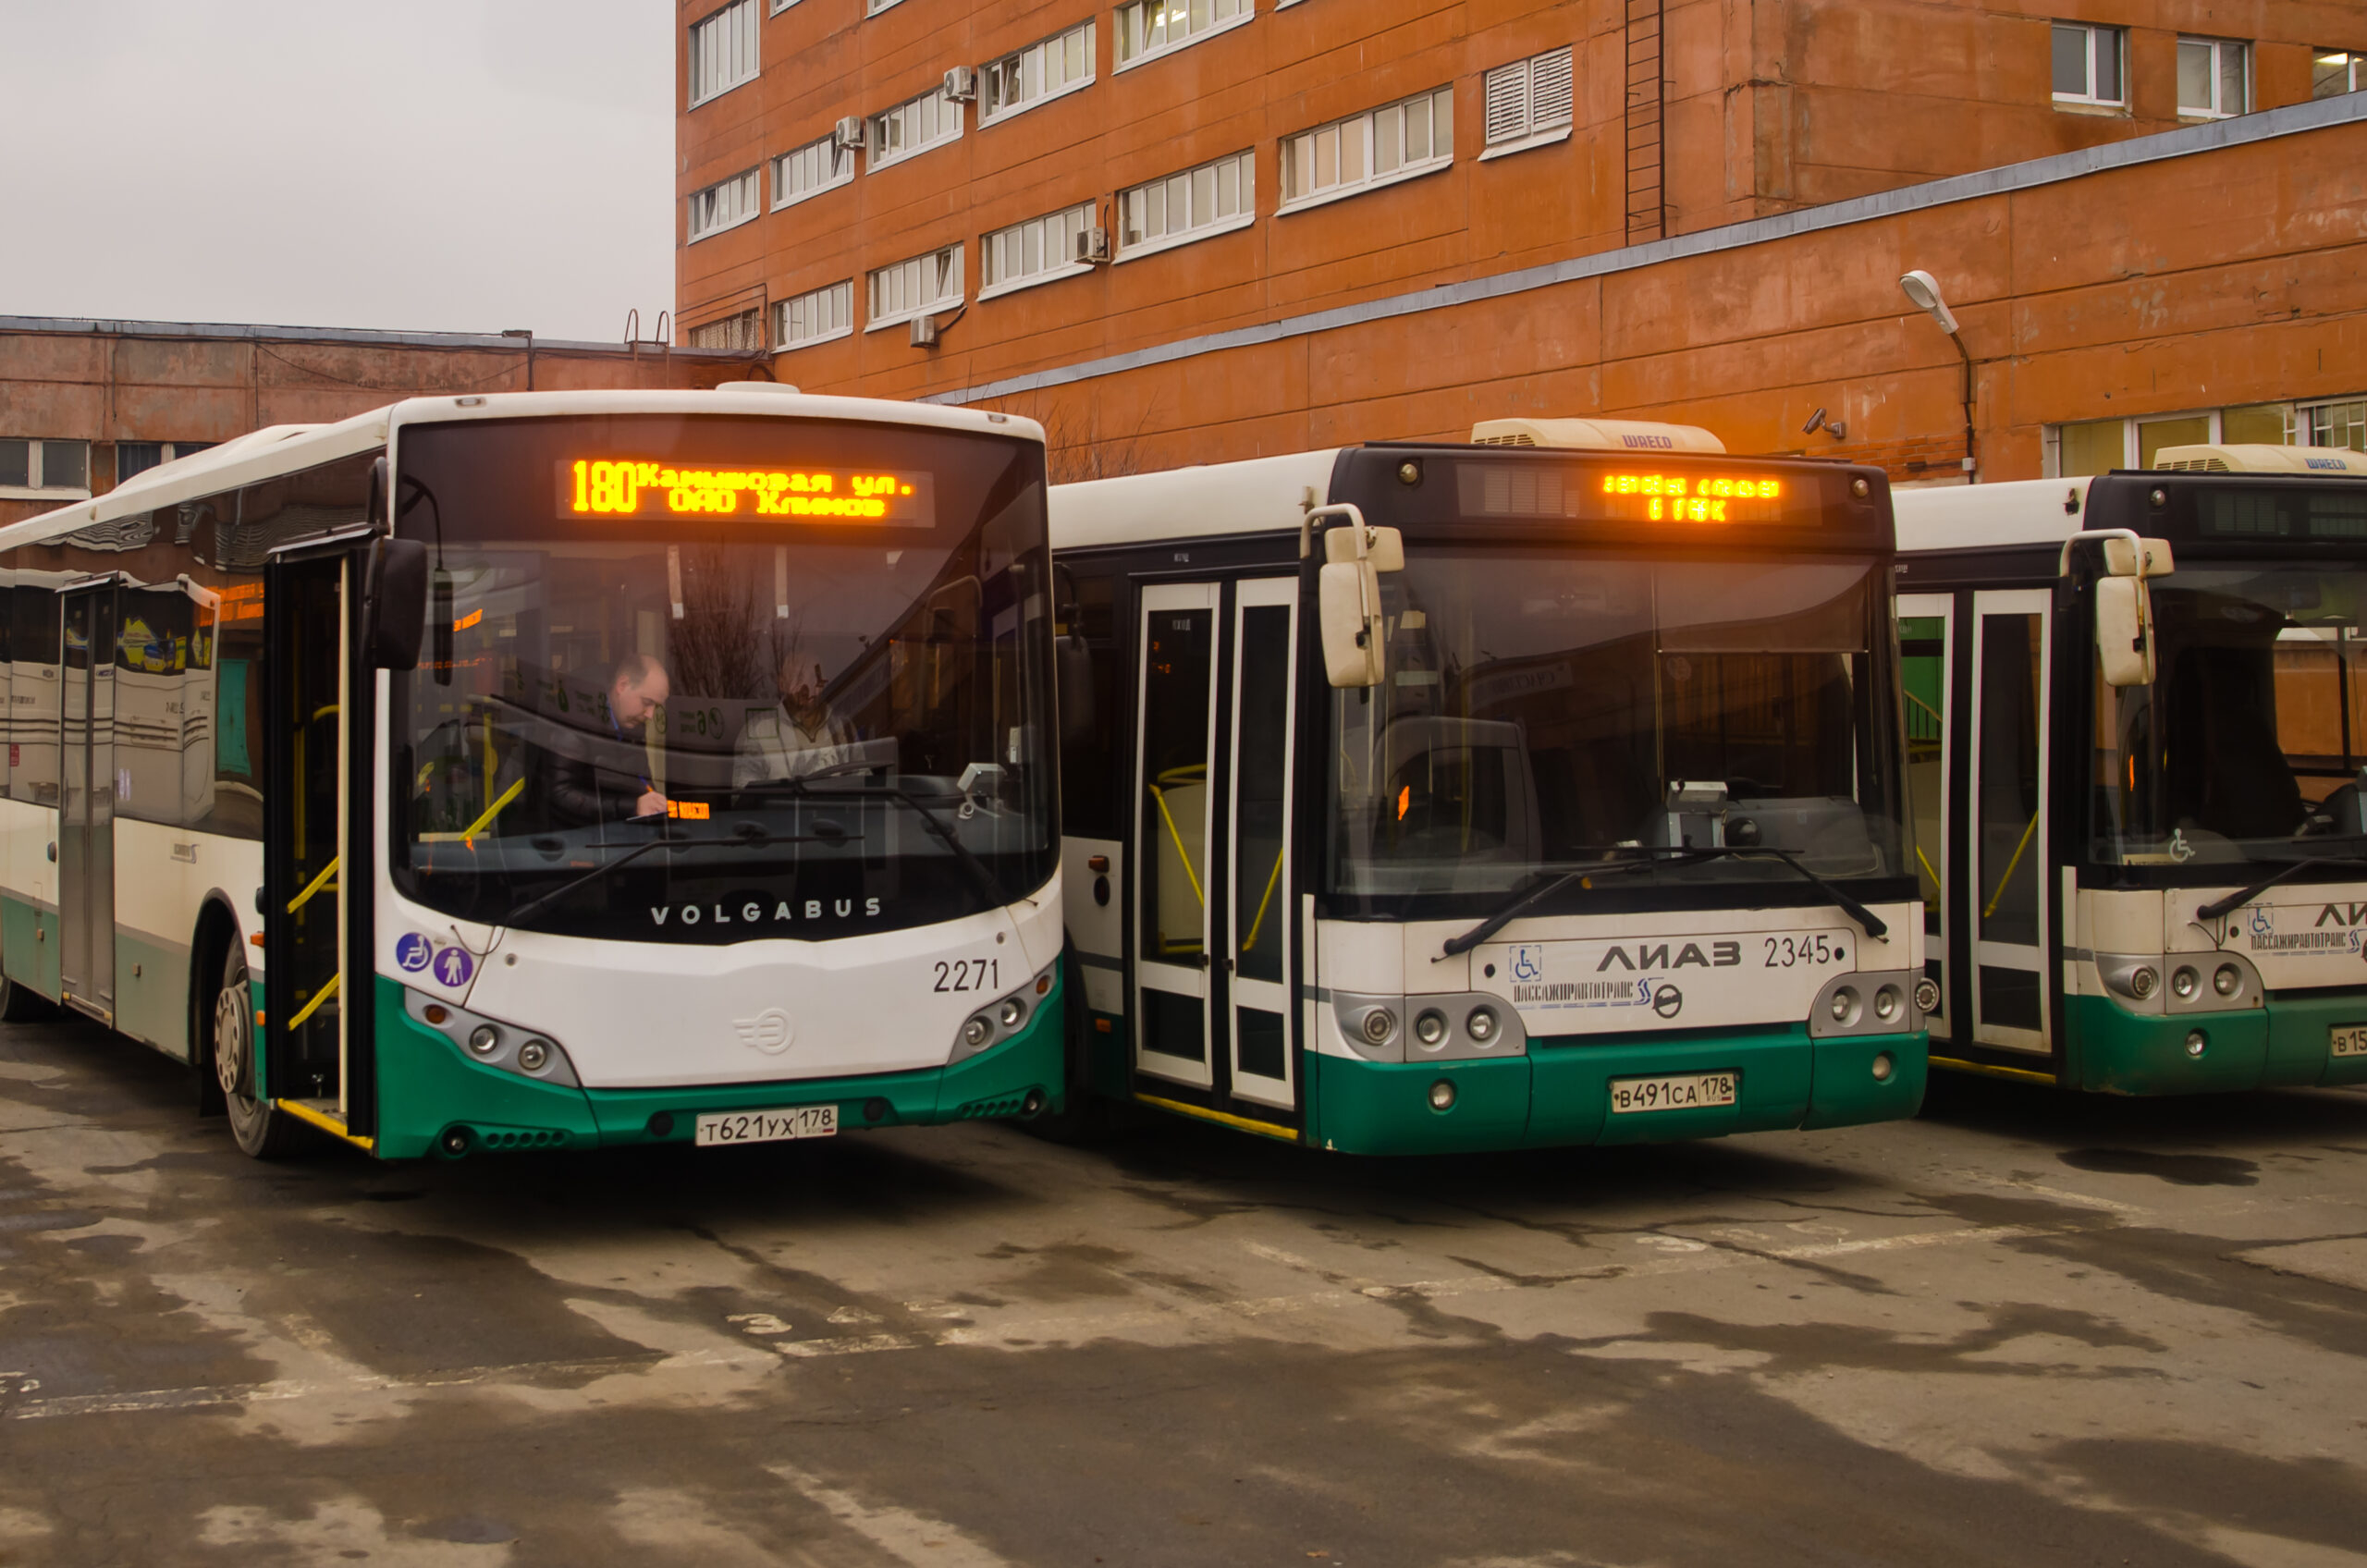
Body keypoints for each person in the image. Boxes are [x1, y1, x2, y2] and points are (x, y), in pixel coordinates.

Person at [544, 652, 671, 825]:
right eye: (647, 702)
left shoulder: (632, 724)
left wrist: (652, 803)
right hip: (572, 843)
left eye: (656, 706)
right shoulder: (576, 719)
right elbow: (559, 793)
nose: (650, 714)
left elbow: (641, 780)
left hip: (615, 838)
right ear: (623, 685)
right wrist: (632, 807)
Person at [734, 653, 853, 788]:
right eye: (798, 678)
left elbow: (861, 787)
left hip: (833, 809)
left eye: (815, 678)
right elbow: (745, 795)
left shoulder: (841, 728)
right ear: (782, 683)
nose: (806, 688)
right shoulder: (758, 731)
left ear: (823, 684)